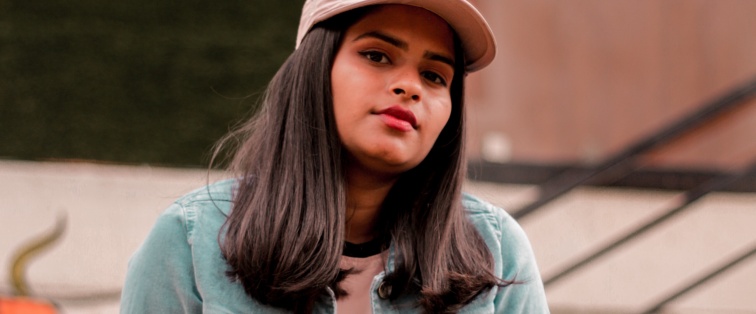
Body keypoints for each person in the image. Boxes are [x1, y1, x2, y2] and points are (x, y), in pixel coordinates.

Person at [120, 0, 549, 313]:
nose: (410, 86)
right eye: (377, 55)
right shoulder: (190, 241)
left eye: (434, 75)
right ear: (315, 69)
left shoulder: (497, 250)